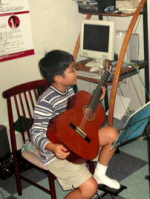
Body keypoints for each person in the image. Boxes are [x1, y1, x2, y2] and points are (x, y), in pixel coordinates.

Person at [30, 50, 120, 199]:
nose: (76, 72)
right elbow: (35, 133)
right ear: (58, 78)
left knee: (112, 134)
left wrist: (96, 100)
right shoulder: (46, 101)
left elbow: (76, 116)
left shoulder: (69, 90)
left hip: (76, 138)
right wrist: (52, 147)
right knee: (90, 188)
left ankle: (100, 174)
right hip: (57, 152)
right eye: (72, 70)